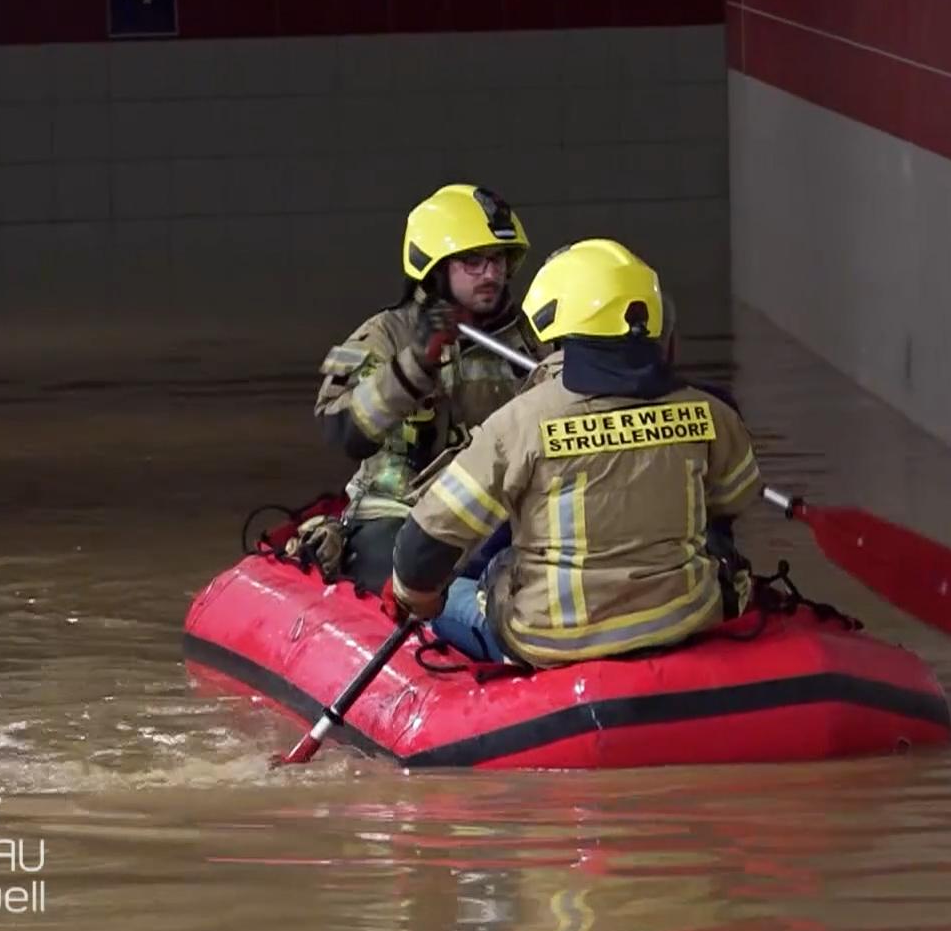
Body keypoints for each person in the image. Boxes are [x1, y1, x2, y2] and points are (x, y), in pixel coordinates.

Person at [384, 239, 763, 666]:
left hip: (552, 641)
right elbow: (734, 499)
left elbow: (423, 546)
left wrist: (413, 597)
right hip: (682, 618)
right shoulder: (711, 412)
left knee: (455, 591)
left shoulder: (517, 425)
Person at [309, 184, 546, 592]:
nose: (491, 274)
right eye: (473, 262)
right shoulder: (384, 336)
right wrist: (414, 365)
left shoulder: (534, 337)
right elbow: (341, 431)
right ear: (434, 267)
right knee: (401, 576)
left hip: (502, 512)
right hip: (402, 511)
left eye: (498, 260)